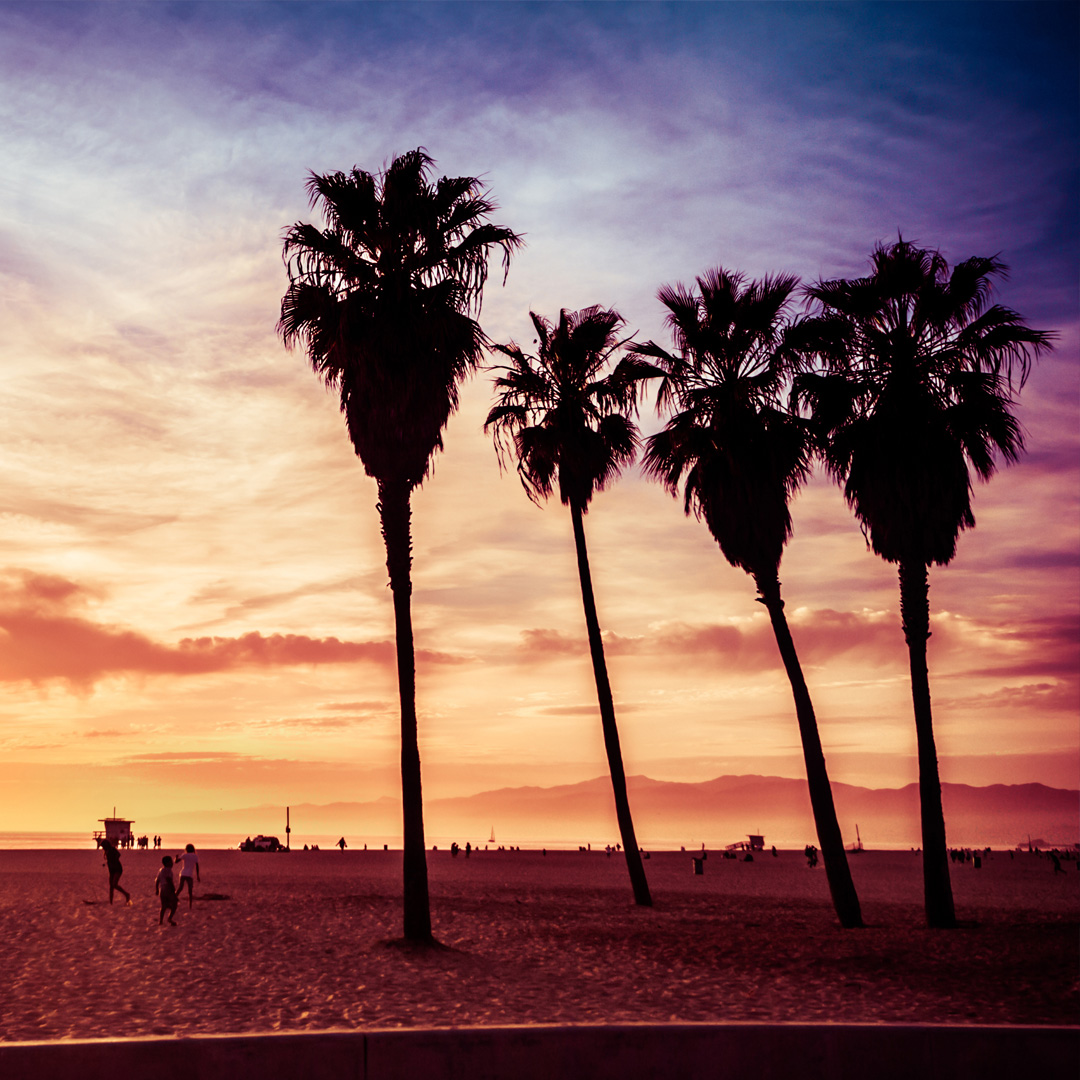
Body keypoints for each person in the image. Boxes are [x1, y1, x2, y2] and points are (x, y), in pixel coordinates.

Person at [101, 838, 131, 905]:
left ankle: (127, 894)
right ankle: (111, 902)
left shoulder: (112, 849)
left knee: (114, 884)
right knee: (111, 886)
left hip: (117, 869)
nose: (102, 848)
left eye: (103, 846)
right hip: (111, 870)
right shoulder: (107, 851)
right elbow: (109, 860)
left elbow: (118, 855)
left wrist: (113, 860)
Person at [156, 856, 178, 926]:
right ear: (168, 863)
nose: (172, 863)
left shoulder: (161, 870)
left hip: (161, 889)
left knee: (163, 906)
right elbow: (169, 880)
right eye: (171, 862)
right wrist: (173, 890)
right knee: (174, 904)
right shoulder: (169, 870)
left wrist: (156, 889)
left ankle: (161, 921)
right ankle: (169, 918)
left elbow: (157, 880)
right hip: (167, 888)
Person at [176, 844, 200, 908]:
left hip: (183, 873)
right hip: (189, 874)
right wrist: (198, 876)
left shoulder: (184, 855)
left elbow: (176, 862)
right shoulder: (195, 856)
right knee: (190, 891)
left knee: (180, 888)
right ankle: (190, 905)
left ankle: (173, 898)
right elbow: (197, 866)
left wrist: (176, 857)